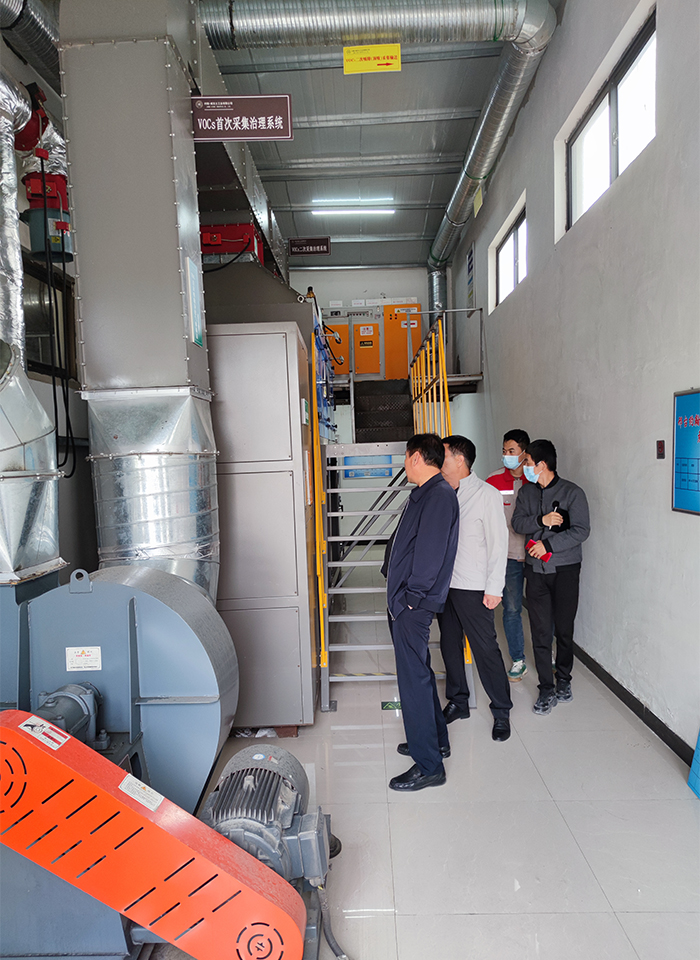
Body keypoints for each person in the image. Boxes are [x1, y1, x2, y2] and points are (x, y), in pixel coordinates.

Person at [381, 433, 459, 792]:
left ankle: (429, 766)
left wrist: (409, 599)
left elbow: (430, 555)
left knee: (412, 681)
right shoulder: (426, 493)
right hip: (407, 601)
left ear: (415, 457)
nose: (404, 464)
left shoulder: (438, 496)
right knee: (421, 674)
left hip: (413, 605)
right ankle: (435, 742)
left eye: (405, 457)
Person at [438, 435, 513, 742]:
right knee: (449, 644)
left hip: (474, 586)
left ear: (460, 460)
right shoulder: (440, 492)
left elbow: (498, 544)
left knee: (485, 648)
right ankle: (458, 701)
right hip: (444, 585)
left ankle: (501, 709)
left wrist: (494, 588)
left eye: (443, 455)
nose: (437, 460)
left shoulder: (486, 494)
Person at [511, 439, 591, 715]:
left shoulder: (572, 493)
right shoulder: (526, 492)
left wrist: (548, 545)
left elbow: (581, 530)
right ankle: (546, 687)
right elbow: (517, 523)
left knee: (564, 629)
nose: (524, 467)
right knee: (540, 631)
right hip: (536, 572)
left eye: (527, 462)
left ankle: (564, 680)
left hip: (565, 570)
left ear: (542, 464)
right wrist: (541, 521)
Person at [486, 429, 531, 681]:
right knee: (512, 608)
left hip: (536, 556)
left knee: (542, 609)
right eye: (504, 451)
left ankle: (548, 654)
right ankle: (518, 659)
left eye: (511, 451)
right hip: (508, 556)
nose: (506, 455)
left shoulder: (534, 479)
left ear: (524, 453)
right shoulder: (493, 480)